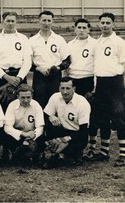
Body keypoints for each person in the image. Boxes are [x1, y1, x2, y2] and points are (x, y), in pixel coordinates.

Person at [90, 12, 125, 166]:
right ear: (99, 25)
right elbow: (97, 66)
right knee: (102, 117)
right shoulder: (97, 43)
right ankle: (103, 152)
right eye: (102, 23)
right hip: (101, 83)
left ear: (113, 24)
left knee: (118, 117)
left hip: (115, 82)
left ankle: (123, 154)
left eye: (107, 23)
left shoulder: (119, 42)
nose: (104, 25)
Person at [0, 12, 32, 111]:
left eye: (13, 21)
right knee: (3, 105)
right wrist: (6, 77)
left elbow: (28, 61)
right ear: (3, 22)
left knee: (22, 104)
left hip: (19, 77)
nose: (10, 23)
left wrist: (19, 78)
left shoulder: (23, 38)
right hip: (3, 77)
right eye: (8, 21)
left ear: (16, 22)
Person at [66, 18, 97, 160]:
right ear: (75, 29)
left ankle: (92, 147)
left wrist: (95, 87)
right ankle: (75, 146)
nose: (82, 30)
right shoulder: (69, 45)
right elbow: (66, 66)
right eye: (79, 27)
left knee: (90, 115)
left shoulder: (95, 44)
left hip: (88, 80)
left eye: (85, 27)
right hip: (74, 81)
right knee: (74, 114)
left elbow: (97, 66)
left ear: (89, 29)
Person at [43, 77, 90, 168]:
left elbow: (83, 131)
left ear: (74, 89)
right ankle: (56, 153)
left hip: (76, 134)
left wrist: (65, 139)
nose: (65, 92)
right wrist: (51, 116)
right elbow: (44, 115)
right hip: (62, 130)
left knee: (72, 149)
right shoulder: (55, 97)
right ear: (59, 88)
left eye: (68, 88)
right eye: (62, 88)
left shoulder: (82, 103)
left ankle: (74, 153)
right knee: (50, 127)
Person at [29, 11, 70, 108]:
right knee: (40, 102)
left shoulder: (59, 39)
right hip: (39, 76)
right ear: (39, 21)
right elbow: (27, 62)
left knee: (55, 101)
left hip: (55, 76)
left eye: (49, 20)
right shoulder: (32, 40)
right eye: (44, 20)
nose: (46, 23)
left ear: (52, 22)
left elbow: (67, 60)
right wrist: (39, 69)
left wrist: (57, 68)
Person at [4, 84, 45, 164]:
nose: (26, 100)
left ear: (32, 96)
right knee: (6, 136)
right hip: (18, 135)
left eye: (28, 97)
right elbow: (7, 127)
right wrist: (23, 134)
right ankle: (14, 153)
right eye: (23, 97)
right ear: (18, 96)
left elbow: (40, 127)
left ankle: (36, 155)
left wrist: (32, 136)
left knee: (42, 138)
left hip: (32, 135)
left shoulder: (36, 105)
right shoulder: (12, 105)